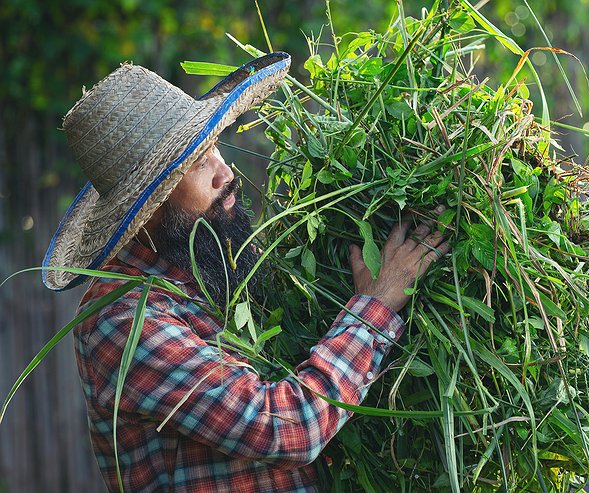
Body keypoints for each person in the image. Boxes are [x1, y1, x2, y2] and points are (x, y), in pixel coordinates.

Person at [42, 52, 449, 492]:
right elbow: (285, 427)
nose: (226, 174)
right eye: (198, 162)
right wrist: (378, 305)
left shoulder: (210, 267)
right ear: (145, 212)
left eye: (214, 147)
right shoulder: (123, 323)